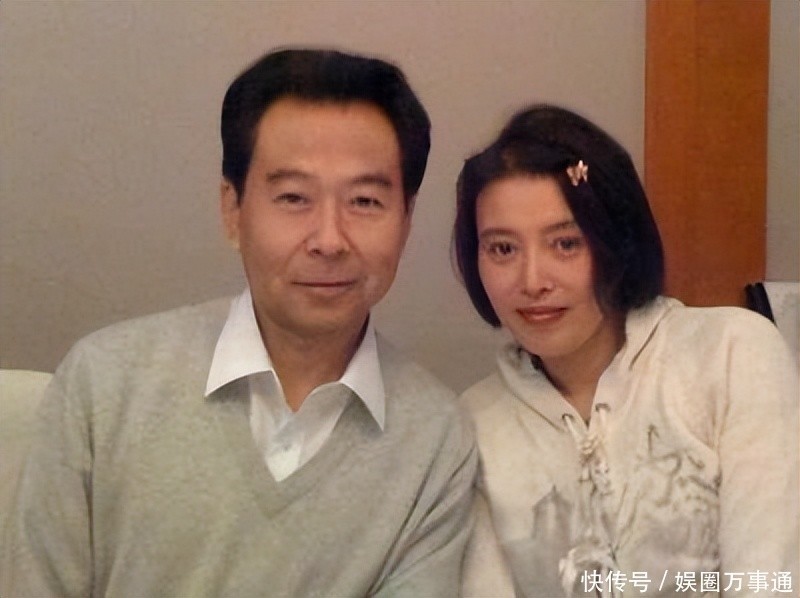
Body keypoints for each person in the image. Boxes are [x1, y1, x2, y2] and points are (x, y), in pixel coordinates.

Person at [1, 48, 477, 597]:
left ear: (407, 219)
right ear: (233, 210)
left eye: (365, 201)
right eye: (294, 197)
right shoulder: (103, 383)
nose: (329, 240)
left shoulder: (436, 440)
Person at [455, 104, 799, 597]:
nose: (532, 281)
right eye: (503, 249)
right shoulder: (472, 423)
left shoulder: (731, 354)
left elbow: (770, 578)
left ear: (617, 242)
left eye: (566, 244)